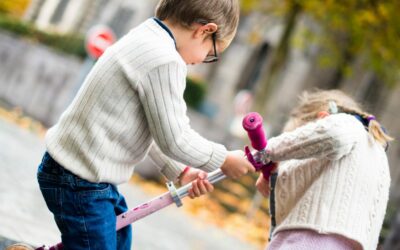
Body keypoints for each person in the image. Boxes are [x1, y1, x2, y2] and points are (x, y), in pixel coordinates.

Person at [37, 0, 254, 249]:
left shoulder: (146, 36)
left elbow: (150, 126)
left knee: (117, 239)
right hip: (80, 180)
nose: (205, 59)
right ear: (204, 31)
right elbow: (176, 139)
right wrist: (224, 159)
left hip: (79, 174)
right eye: (212, 52)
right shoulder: (165, 60)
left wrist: (181, 172)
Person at [255, 89, 393, 250]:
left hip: (308, 242)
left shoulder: (347, 124)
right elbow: (305, 194)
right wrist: (274, 180)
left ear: (323, 121)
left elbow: (334, 136)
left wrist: (264, 154)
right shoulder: (377, 157)